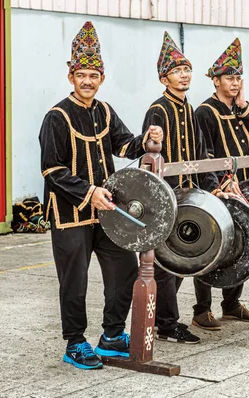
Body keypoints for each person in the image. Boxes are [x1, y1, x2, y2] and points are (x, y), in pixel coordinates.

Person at [39, 21, 164, 369]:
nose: (88, 81)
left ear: (101, 78)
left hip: (105, 213)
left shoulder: (105, 111)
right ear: (71, 77)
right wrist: (89, 191)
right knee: (74, 282)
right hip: (70, 215)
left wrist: (148, 140)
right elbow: (52, 169)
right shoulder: (57, 117)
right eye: (82, 74)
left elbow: (125, 145)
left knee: (124, 269)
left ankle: (110, 336)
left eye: (94, 75)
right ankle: (75, 342)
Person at [141, 32, 237, 344]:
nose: (184, 75)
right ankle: (165, 325)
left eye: (187, 70)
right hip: (164, 199)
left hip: (188, 197)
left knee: (179, 261)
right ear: (163, 78)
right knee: (165, 266)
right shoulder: (158, 110)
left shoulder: (188, 109)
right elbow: (148, 155)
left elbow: (201, 154)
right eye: (177, 71)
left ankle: (162, 322)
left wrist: (211, 189)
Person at [192, 38, 249, 330]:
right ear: (215, 80)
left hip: (246, 188)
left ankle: (231, 304)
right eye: (229, 77)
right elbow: (204, 154)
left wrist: (244, 105)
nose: (235, 82)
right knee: (212, 247)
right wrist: (217, 187)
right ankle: (202, 310)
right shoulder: (205, 112)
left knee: (243, 246)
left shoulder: (240, 110)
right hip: (219, 190)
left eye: (238, 77)